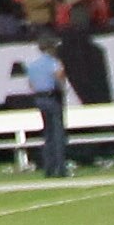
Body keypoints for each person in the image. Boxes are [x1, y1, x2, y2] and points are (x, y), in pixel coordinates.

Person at [23, 33, 71, 177]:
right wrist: (61, 89)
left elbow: (31, 84)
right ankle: (60, 168)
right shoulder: (53, 62)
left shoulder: (33, 65)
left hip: (40, 98)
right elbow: (60, 78)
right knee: (58, 133)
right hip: (52, 97)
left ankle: (48, 168)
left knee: (48, 133)